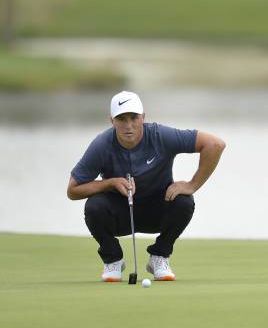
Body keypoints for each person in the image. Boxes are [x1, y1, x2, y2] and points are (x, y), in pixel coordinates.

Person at [67, 91, 226, 282]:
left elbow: (215, 144)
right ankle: (113, 260)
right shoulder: (102, 144)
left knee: (184, 201)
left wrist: (192, 185)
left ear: (143, 117)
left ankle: (159, 257)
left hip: (158, 211)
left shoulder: (160, 136)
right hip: (121, 214)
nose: (128, 125)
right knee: (94, 206)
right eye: (121, 119)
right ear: (112, 121)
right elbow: (73, 190)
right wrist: (110, 183)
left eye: (134, 118)